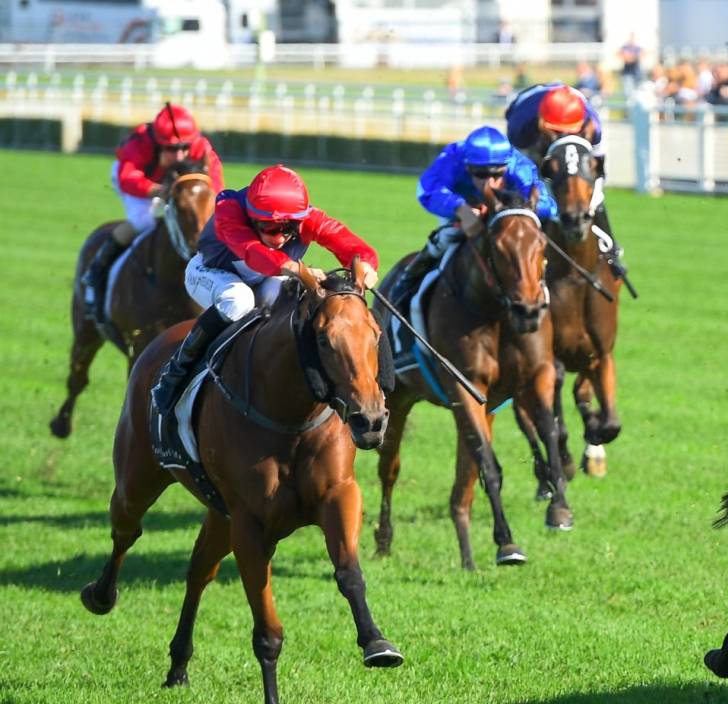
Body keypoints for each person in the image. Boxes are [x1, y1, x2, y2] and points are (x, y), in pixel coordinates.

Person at [152, 165, 378, 466]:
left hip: (266, 275)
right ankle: (177, 372)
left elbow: (347, 242)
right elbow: (251, 253)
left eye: (289, 228)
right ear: (252, 216)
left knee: (290, 303)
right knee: (239, 301)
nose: (281, 235)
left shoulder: (306, 219)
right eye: (270, 228)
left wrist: (365, 264)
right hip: (211, 272)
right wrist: (295, 268)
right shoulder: (229, 211)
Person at [86, 103, 226, 321]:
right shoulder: (140, 143)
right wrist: (157, 190)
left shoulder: (201, 147)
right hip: (140, 180)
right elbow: (127, 178)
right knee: (144, 221)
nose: (180, 155)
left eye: (184, 147)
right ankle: (98, 266)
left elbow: (214, 184)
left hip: (176, 183)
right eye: (171, 149)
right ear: (158, 143)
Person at [388, 125, 556, 294]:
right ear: (467, 166)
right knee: (445, 237)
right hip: (460, 212)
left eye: (497, 175)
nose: (489, 183)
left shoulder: (519, 166)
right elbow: (427, 190)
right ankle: (407, 282)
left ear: (506, 166)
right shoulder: (454, 157)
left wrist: (508, 209)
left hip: (505, 213)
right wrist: (460, 208)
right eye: (480, 174)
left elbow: (547, 205)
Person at [504, 82, 627, 278]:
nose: (564, 136)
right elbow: (520, 174)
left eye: (569, 132)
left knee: (591, 193)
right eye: (558, 132)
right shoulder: (521, 127)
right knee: (523, 194)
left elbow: (599, 175)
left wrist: (591, 202)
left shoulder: (593, 126)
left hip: (565, 108)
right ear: (544, 126)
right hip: (531, 137)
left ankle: (611, 250)